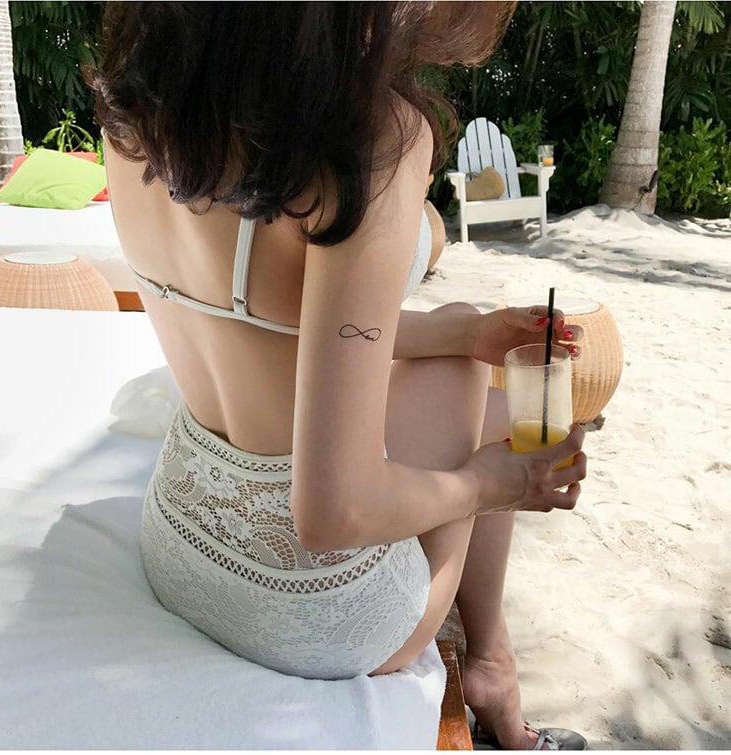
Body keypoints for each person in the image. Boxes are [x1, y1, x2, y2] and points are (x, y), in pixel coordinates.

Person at [91, 2, 587, 749]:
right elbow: (333, 512)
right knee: (468, 388)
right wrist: (494, 485)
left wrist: (464, 330)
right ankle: (494, 670)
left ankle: (492, 666)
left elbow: (265, 321)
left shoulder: (145, 104)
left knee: (469, 357)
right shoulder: (368, 134)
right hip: (315, 612)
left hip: (181, 541)